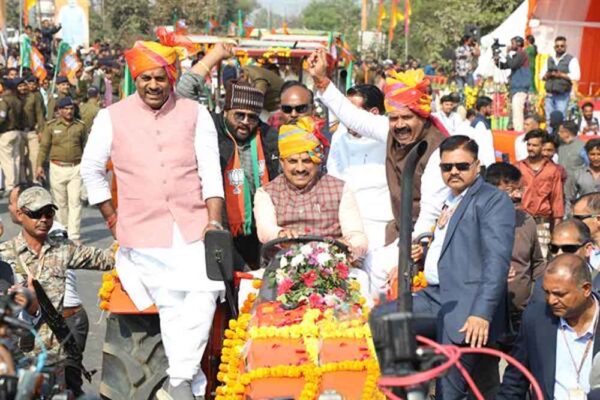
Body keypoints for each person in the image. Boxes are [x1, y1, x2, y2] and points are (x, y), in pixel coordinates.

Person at [81, 39, 225, 400]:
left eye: (160, 78)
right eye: (146, 78)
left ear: (171, 78)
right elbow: (91, 169)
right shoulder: (111, 117)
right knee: (170, 300)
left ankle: (180, 379)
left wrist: (214, 222)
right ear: (136, 78)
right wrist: (111, 219)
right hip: (141, 233)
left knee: (206, 290)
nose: (153, 85)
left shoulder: (196, 113)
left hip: (192, 227)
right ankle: (187, 384)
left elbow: (211, 172)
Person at [306, 47, 448, 244]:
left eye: (407, 117)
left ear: (422, 117)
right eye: (394, 118)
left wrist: (415, 246)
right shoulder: (390, 131)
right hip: (395, 231)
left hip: (425, 236)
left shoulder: (438, 148)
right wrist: (321, 80)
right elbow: (354, 117)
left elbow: (431, 209)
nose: (400, 125)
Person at [413, 135, 514, 399]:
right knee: (384, 321)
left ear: (477, 166)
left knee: (451, 390)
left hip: (468, 305)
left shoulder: (492, 200)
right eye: (447, 167)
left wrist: (481, 313)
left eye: (462, 166)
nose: (454, 172)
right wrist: (424, 251)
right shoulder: (449, 198)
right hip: (435, 296)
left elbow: (496, 262)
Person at [0, 186, 113, 396]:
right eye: (36, 213)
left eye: (49, 213)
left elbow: (108, 259)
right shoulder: (4, 254)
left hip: (55, 357)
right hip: (19, 359)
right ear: (20, 214)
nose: (44, 219)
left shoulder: (63, 248)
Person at [497, 253, 599, 399]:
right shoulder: (536, 318)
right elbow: (515, 380)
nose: (551, 301)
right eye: (546, 292)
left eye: (559, 294)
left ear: (586, 289)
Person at [484, 162, 545, 332]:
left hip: (522, 314)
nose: (518, 195)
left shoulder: (526, 221)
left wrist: (537, 299)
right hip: (487, 315)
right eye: (510, 190)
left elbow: (538, 264)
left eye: (520, 189)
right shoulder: (475, 222)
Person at [37, 97, 86, 243]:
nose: (69, 111)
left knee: (75, 202)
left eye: (71, 108)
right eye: (66, 109)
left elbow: (86, 146)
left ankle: (74, 236)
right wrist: (39, 165)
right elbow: (44, 147)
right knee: (60, 203)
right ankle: (63, 232)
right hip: (57, 168)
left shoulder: (80, 126)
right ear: (59, 110)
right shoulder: (51, 126)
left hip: (76, 167)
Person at [516, 129, 565, 257]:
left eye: (534, 145)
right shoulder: (518, 168)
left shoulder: (553, 170)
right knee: (522, 256)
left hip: (542, 223)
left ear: (542, 146)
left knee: (542, 258)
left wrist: (556, 230)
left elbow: (557, 200)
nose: (530, 148)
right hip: (521, 221)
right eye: (528, 144)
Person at [540, 36, 581, 125]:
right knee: (549, 119)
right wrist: (548, 75)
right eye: (557, 46)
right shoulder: (549, 59)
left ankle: (558, 134)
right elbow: (541, 76)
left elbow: (576, 76)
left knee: (560, 118)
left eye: (562, 46)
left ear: (566, 47)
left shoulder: (571, 59)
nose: (559, 48)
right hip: (549, 94)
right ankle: (550, 134)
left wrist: (561, 75)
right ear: (554, 47)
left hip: (562, 95)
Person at [495, 36, 531, 132]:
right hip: (515, 87)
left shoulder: (522, 53)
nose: (511, 45)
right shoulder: (517, 55)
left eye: (513, 43)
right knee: (515, 111)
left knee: (517, 110)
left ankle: (518, 131)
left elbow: (512, 64)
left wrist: (507, 54)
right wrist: (497, 62)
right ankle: (516, 129)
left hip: (521, 87)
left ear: (518, 43)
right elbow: (505, 66)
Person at [0, 78, 26, 192]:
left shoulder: (4, 100)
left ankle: (10, 186)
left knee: (7, 160)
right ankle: (16, 184)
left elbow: (2, 117)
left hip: (6, 132)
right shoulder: (17, 100)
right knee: (16, 159)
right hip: (17, 131)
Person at [22, 75, 45, 183]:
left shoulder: (35, 96)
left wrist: (41, 130)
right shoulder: (17, 95)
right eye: (29, 83)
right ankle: (22, 180)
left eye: (33, 84)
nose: (31, 86)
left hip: (32, 130)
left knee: (34, 156)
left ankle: (34, 180)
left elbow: (40, 114)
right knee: (21, 157)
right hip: (19, 130)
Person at [566, 139, 600, 206]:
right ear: (587, 154)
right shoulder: (578, 174)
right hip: (584, 212)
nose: (596, 158)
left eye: (599, 154)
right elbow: (569, 199)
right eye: (592, 154)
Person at [469, 96, 496, 167]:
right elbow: (484, 147)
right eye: (490, 107)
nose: (492, 109)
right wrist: (490, 166)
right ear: (483, 108)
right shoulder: (480, 124)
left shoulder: (480, 121)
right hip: (483, 164)